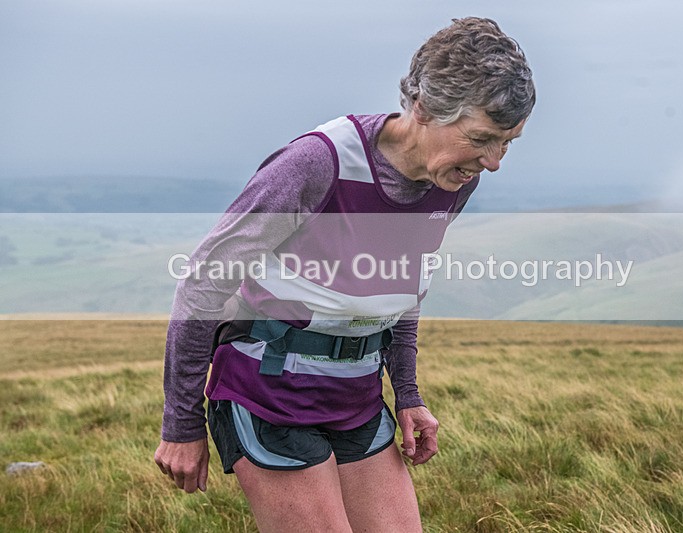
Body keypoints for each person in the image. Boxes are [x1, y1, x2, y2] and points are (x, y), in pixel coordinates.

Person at [154, 17, 535, 532]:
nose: (493, 163)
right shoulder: (317, 164)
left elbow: (401, 293)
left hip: (356, 398)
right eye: (481, 139)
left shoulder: (453, 177)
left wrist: (409, 394)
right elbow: (204, 282)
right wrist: (181, 424)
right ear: (423, 109)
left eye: (508, 142)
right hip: (267, 393)